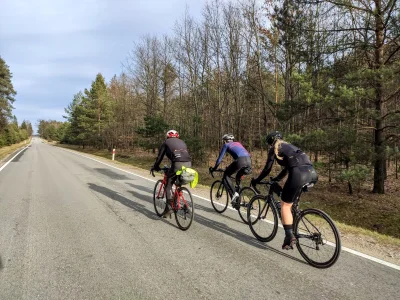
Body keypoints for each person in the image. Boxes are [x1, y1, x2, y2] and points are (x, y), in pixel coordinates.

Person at [251, 131, 318, 250]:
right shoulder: (290, 147)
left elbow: (267, 169)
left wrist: (256, 180)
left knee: (285, 205)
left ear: (271, 143)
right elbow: (286, 170)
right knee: (291, 203)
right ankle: (294, 226)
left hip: (299, 174)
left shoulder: (274, 148)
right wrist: (276, 179)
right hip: (312, 173)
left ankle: (289, 236)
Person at [151, 130, 192, 218]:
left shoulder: (166, 142)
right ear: (177, 136)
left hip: (177, 164)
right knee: (177, 181)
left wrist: (155, 166)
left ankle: (169, 207)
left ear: (167, 136)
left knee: (168, 184)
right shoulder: (182, 142)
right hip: (188, 163)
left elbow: (160, 157)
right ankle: (177, 199)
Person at [210, 134, 252, 208]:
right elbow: (241, 153)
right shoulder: (238, 143)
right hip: (249, 161)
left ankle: (234, 195)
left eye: (224, 141)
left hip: (240, 161)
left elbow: (219, 159)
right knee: (238, 177)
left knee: (226, 174)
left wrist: (214, 168)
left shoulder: (226, 145)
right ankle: (238, 200)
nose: (224, 143)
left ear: (226, 141)